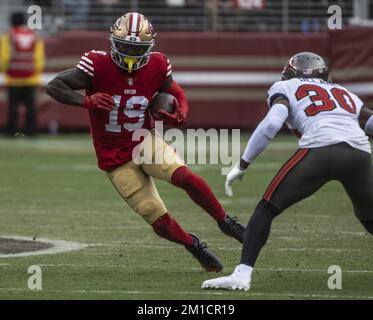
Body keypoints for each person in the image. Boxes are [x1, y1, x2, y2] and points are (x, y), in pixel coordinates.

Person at [46, 12, 245, 272]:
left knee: (185, 177)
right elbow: (54, 85)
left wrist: (181, 111)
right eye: (125, 46)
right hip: (113, 156)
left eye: (136, 48)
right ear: (113, 43)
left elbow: (174, 92)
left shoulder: (158, 65)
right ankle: (193, 245)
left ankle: (225, 221)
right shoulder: (96, 64)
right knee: (157, 218)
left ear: (149, 48)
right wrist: (86, 101)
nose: (129, 53)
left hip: (143, 141)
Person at [202, 52, 373, 290]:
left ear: (291, 72)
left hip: (320, 150)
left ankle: (242, 275)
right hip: (359, 154)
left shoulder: (285, 86)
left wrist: (243, 164)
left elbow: (272, 123)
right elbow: (370, 123)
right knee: (368, 216)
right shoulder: (344, 92)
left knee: (267, 208)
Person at [0, 12, 45, 136]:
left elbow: (4, 57)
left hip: (13, 78)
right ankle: (32, 132)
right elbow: (39, 58)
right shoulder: (34, 36)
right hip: (31, 78)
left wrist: (3, 70)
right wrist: (35, 73)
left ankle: (11, 132)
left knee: (13, 108)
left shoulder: (8, 36)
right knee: (31, 108)